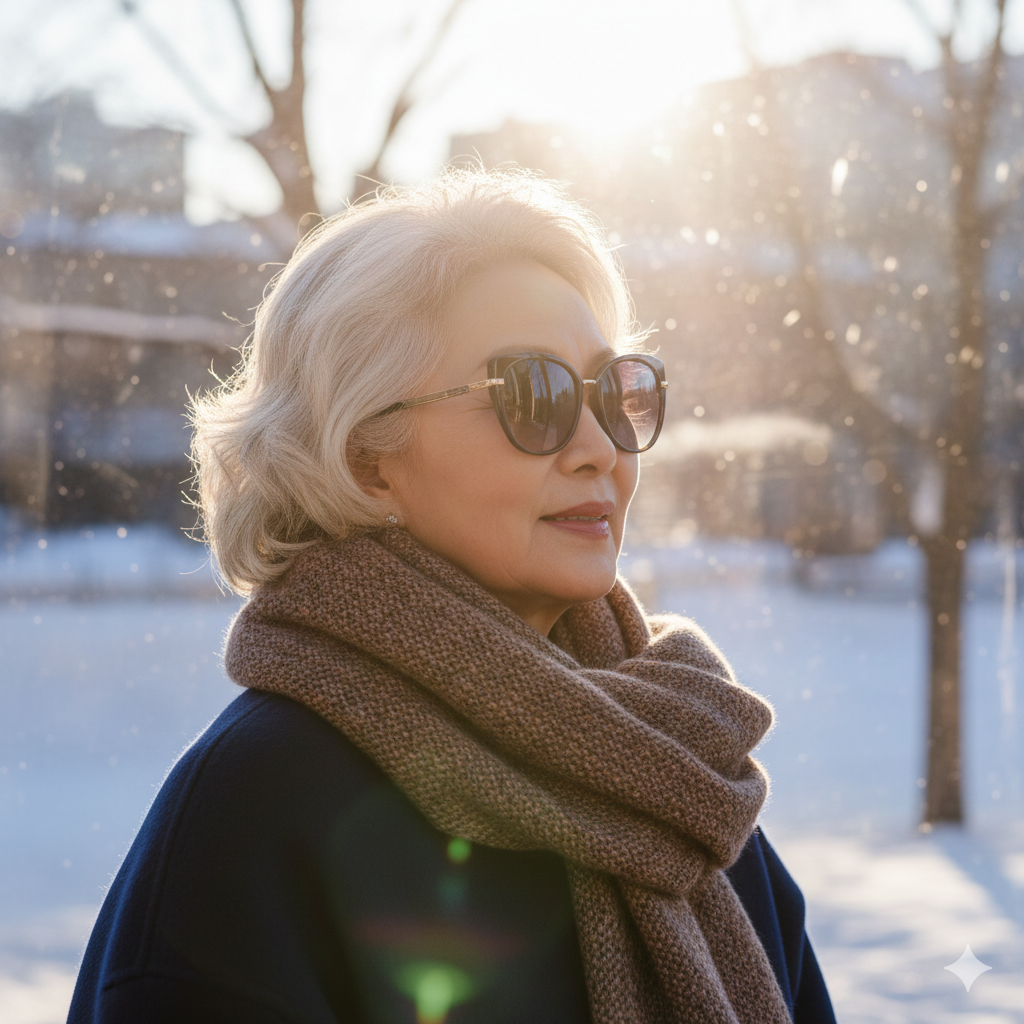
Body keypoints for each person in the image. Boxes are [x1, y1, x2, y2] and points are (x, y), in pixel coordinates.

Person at [68, 168, 838, 1024]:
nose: (597, 449)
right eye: (533, 395)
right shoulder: (256, 808)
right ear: (366, 458)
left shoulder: (683, 779)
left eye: (614, 394)